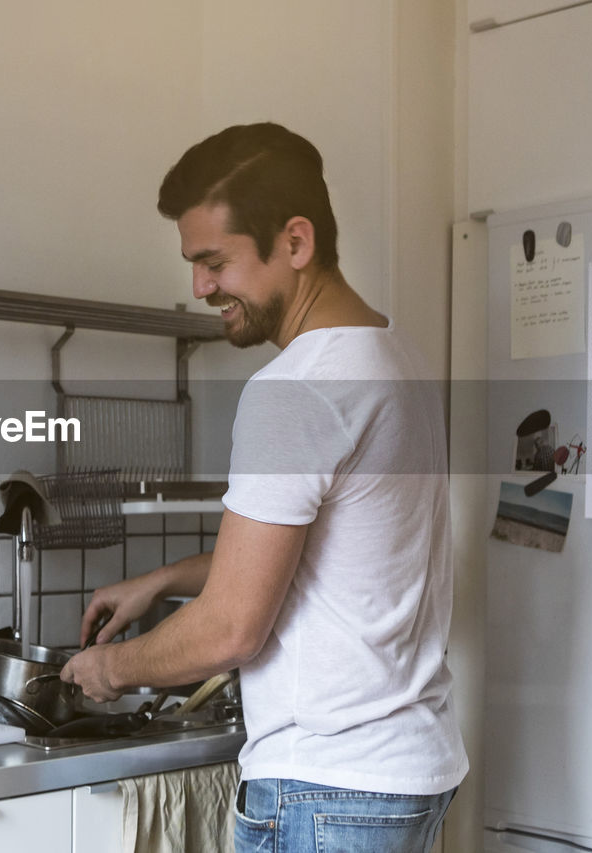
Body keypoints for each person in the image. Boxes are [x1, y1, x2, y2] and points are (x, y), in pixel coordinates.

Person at [59, 123, 468, 853]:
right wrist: (162, 579)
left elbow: (230, 628)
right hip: (406, 773)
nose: (201, 286)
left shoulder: (295, 391)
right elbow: (326, 557)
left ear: (296, 242)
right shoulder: (393, 357)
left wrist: (109, 667)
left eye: (215, 261)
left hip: (327, 787)